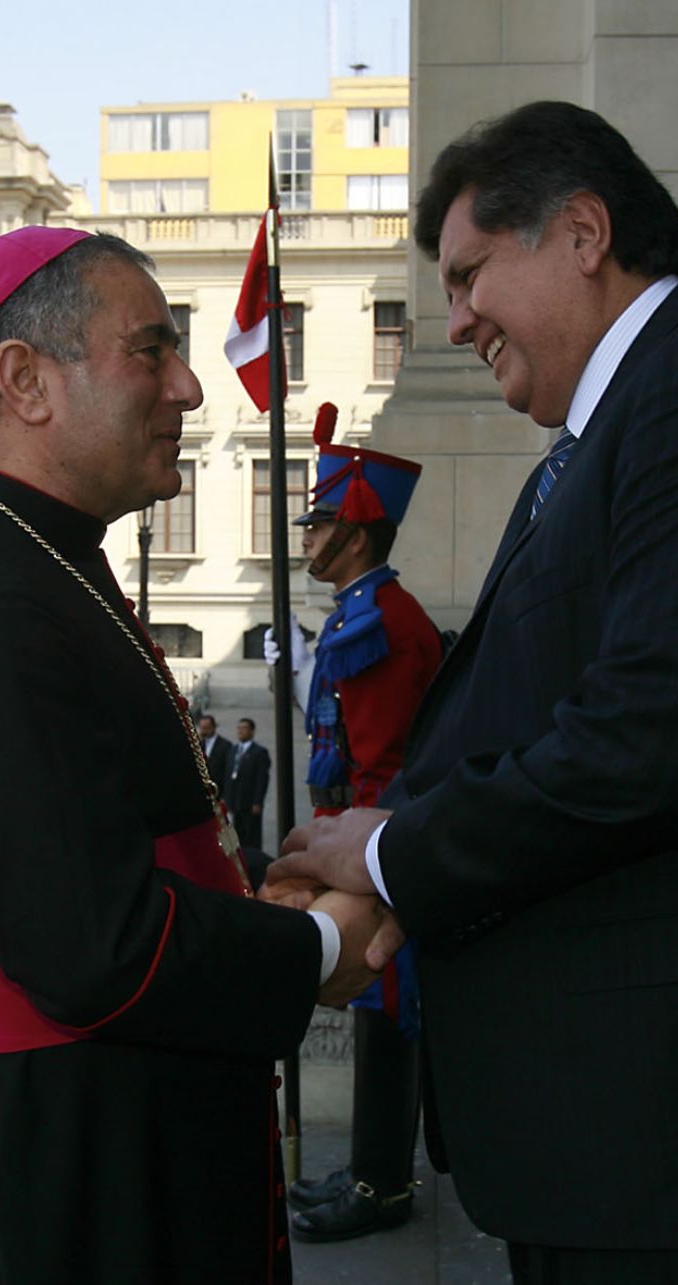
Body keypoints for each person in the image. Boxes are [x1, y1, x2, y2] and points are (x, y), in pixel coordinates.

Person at [265, 102, 678, 1282]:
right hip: (631, 1132)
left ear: (581, 231)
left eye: (470, 274)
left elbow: (652, 741)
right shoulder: (621, 422)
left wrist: (393, 855)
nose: (457, 316)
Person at [0, 225, 386, 1283]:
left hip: (113, 1128)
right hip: (43, 1170)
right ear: (25, 379)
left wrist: (254, 898)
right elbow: (89, 941)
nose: (188, 386)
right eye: (150, 349)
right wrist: (317, 948)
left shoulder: (38, 555)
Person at [266, 408, 442, 1242]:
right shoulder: (358, 610)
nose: (307, 537)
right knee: (372, 1010)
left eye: (321, 522)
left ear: (358, 531)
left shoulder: (382, 622)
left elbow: (381, 763)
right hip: (354, 839)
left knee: (386, 1010)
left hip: (374, 848)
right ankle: (372, 1169)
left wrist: (344, 860)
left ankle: (381, 1184)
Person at [226, 717, 271, 850]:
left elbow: (262, 779)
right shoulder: (233, 750)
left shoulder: (259, 752)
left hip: (250, 801)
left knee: (252, 833)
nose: (241, 731)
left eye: (244, 728)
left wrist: (258, 801)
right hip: (235, 801)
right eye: (239, 728)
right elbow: (228, 776)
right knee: (237, 833)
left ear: (252, 731)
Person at [197, 713, 234, 793]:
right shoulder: (198, 744)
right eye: (202, 728)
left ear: (214, 727)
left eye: (207, 728)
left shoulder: (225, 745)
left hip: (218, 787)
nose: (204, 731)